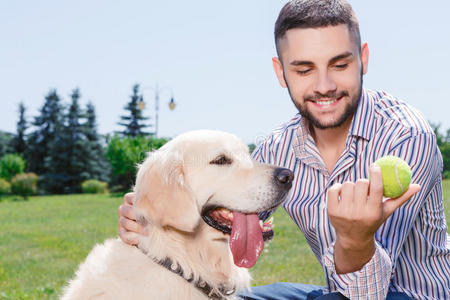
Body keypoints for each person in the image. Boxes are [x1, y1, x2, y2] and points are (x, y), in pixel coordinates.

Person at [118, 0, 450, 299]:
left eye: (339, 65)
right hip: (332, 292)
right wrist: (150, 212)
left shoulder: (406, 136)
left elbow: (369, 292)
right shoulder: (277, 149)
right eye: (304, 69)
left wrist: (355, 241)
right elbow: (227, 207)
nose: (324, 86)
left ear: (363, 59)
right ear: (281, 72)